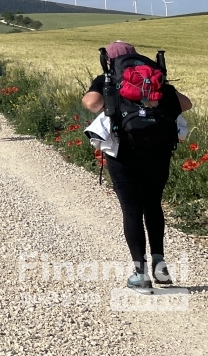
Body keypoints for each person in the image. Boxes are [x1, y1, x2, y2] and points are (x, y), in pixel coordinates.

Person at [82, 41, 193, 292]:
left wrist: (114, 109)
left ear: (109, 59)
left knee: (131, 209)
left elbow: (90, 103)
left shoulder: (109, 78)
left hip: (123, 152)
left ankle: (140, 274)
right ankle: (160, 266)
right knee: (153, 205)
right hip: (158, 151)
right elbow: (185, 104)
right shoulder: (155, 78)